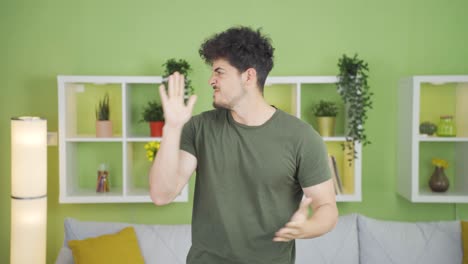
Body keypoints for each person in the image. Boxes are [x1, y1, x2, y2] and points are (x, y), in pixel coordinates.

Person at [149, 26, 338, 264]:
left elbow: (327, 208)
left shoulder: (302, 137)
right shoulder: (199, 129)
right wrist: (172, 128)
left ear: (248, 76)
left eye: (219, 72)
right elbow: (161, 195)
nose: (211, 80)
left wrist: (307, 227)